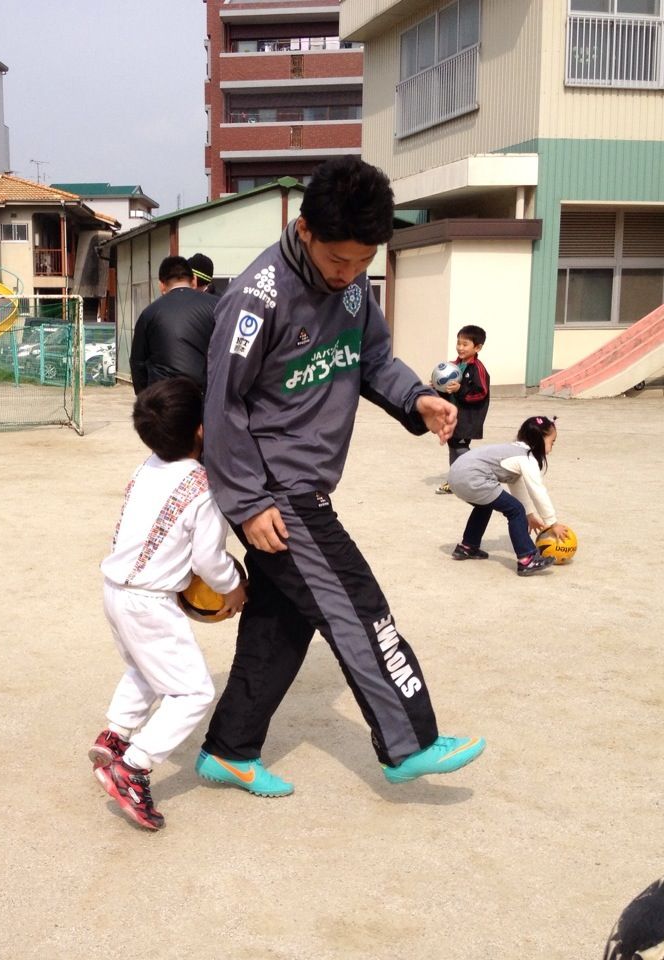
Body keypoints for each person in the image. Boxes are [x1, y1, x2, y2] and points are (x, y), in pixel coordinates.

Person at [197, 155, 485, 794]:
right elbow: (222, 409)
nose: (349, 275)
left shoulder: (353, 288)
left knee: (283, 619)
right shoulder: (255, 299)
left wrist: (416, 398)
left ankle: (230, 749)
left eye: (362, 262)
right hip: (279, 495)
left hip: (305, 484)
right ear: (305, 231)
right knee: (359, 610)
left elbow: (372, 356)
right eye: (337, 261)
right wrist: (247, 502)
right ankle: (408, 742)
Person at [90, 378, 247, 830]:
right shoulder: (202, 486)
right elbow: (208, 559)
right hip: (149, 602)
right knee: (193, 691)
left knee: (146, 668)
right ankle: (133, 767)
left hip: (114, 589)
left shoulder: (146, 467)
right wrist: (232, 586)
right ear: (201, 429)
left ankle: (115, 736)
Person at [447, 416, 569, 576]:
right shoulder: (526, 457)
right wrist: (553, 523)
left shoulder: (513, 451)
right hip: (473, 477)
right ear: (539, 439)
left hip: (455, 476)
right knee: (515, 511)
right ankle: (527, 559)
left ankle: (467, 547)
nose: (552, 446)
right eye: (551, 442)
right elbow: (537, 491)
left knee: (486, 505)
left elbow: (515, 484)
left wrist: (530, 515)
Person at [129, 256, 217, 394]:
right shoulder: (217, 307)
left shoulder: (149, 313)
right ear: (193, 280)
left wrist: (145, 397)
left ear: (161, 285)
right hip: (204, 397)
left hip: (163, 397)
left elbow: (137, 362)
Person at [436, 324, 490, 495]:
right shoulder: (453, 365)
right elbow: (446, 388)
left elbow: (481, 393)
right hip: (452, 415)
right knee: (453, 445)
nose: (460, 347)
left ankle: (477, 476)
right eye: (458, 343)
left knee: (460, 447)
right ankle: (456, 480)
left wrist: (461, 390)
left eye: (465, 344)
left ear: (478, 347)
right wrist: (436, 386)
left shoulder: (478, 368)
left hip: (467, 417)